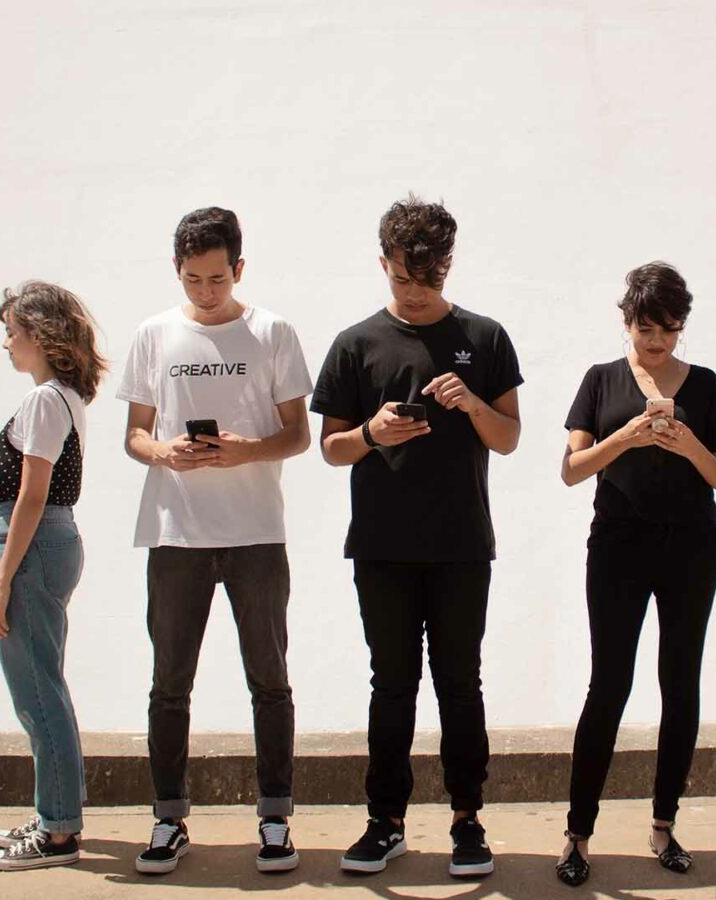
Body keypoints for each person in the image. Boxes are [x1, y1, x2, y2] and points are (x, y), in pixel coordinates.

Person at [311, 195, 522, 879]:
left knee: (461, 684)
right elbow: (331, 449)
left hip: (463, 544)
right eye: (403, 278)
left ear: (448, 266)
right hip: (381, 545)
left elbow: (511, 437)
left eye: (427, 279)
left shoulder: (486, 338)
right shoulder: (355, 343)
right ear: (384, 263)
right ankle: (386, 822)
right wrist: (372, 433)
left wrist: (472, 403)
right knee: (391, 685)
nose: (415, 291)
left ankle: (468, 820)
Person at [117, 207, 313, 875]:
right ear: (177, 270)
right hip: (176, 534)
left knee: (270, 682)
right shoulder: (153, 334)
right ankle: (169, 819)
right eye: (193, 278)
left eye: (217, 277)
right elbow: (134, 435)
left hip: (257, 533)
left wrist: (245, 452)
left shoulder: (272, 331)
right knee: (169, 684)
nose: (206, 290)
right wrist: (164, 452)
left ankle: (276, 819)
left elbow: (298, 435)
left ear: (240, 268)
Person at [553, 263, 716, 887]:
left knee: (680, 681)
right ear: (625, 321)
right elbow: (572, 469)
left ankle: (664, 825)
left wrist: (688, 445)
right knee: (609, 683)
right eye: (646, 328)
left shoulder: (706, 386)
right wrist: (628, 435)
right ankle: (578, 833)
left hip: (691, 546)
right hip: (618, 546)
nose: (658, 341)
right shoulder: (601, 381)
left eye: (670, 329)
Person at [0, 280, 108, 871]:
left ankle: (58, 833)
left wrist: (1, 581)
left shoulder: (43, 401)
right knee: (42, 684)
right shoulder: (62, 399)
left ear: (38, 334)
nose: (6, 343)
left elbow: (32, 497)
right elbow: (33, 484)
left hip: (29, 547)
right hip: (44, 542)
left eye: (11, 331)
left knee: (36, 691)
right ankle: (56, 813)